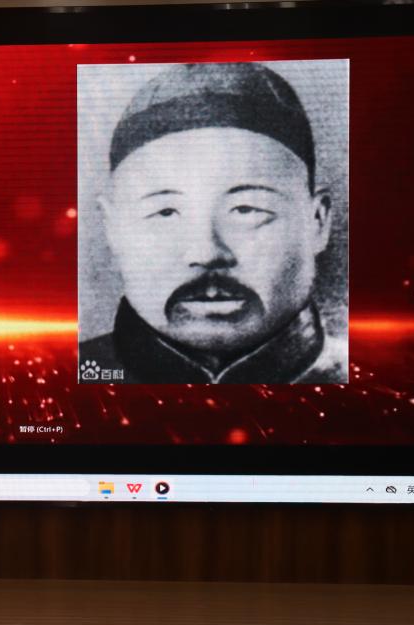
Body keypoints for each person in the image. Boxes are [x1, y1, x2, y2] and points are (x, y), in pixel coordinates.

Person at [80, 62, 347, 384]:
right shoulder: (69, 373)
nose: (206, 253)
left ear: (318, 221)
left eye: (246, 209)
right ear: (113, 229)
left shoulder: (376, 378)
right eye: (165, 212)